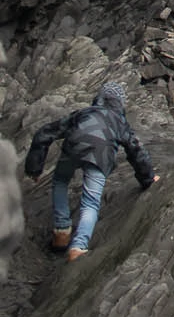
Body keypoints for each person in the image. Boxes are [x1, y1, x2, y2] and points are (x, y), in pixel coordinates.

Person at [24, 79, 158, 259]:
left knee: (61, 181)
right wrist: (148, 179)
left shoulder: (83, 112)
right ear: (120, 103)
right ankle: (78, 246)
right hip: (101, 155)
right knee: (91, 202)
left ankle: (62, 232)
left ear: (99, 98)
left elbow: (44, 133)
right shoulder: (119, 121)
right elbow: (136, 150)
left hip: (74, 146)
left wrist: (34, 169)